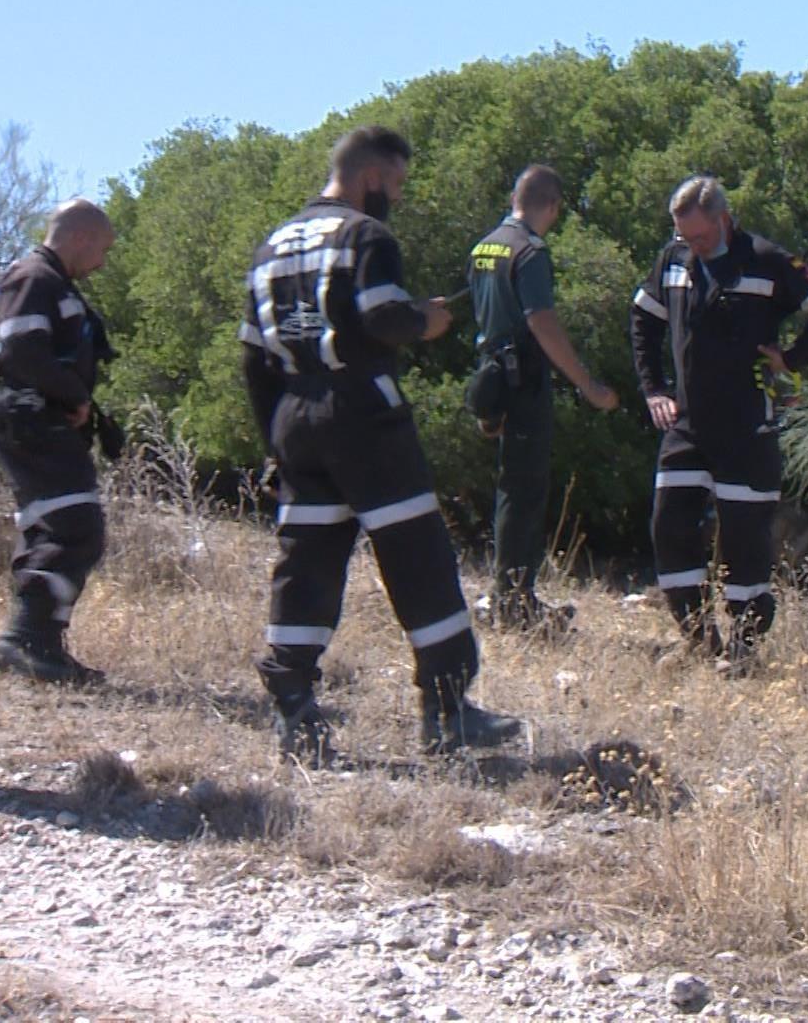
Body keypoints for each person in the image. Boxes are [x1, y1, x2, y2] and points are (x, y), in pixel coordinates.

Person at [239, 125, 521, 765]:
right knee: (417, 554)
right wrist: (428, 319)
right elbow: (381, 317)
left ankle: (293, 697)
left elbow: (253, 358)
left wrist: (275, 446)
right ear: (371, 177)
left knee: (306, 559)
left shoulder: (271, 246)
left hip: (293, 416)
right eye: (395, 183)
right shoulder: (367, 235)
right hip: (362, 412)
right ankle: (448, 710)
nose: (395, 195)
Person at [629, 174, 808, 672]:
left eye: (701, 237)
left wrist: (791, 359)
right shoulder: (674, 259)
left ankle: (745, 646)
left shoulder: (766, 260)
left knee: (746, 538)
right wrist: (654, 388)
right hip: (686, 424)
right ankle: (698, 637)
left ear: (724, 220)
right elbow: (643, 318)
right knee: (670, 527)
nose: (693, 247)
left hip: (747, 425)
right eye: (684, 237)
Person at [465, 164, 619, 633]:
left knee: (511, 484)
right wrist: (586, 384)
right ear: (551, 205)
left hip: (492, 372)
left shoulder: (485, 247)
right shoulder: (530, 251)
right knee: (524, 489)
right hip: (523, 378)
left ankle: (508, 594)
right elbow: (541, 321)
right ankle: (514, 602)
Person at [0, 200, 117, 685]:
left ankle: (42, 644)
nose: (101, 262)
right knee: (73, 527)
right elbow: (21, 350)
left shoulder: (51, 283)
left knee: (55, 528)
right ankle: (24, 640)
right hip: (29, 415)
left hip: (36, 417)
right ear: (81, 237)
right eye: (102, 249)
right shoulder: (34, 278)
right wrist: (74, 395)